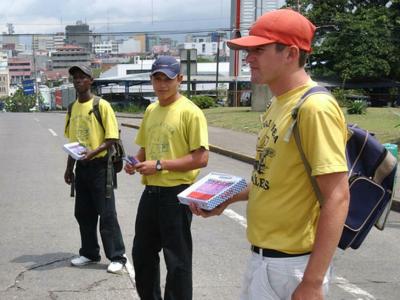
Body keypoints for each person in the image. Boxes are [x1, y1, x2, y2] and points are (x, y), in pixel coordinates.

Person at [190, 9, 350, 300]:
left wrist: (312, 283)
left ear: (290, 53)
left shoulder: (314, 108)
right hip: (266, 261)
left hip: (292, 266)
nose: (248, 58)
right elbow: (274, 180)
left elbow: (338, 196)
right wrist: (226, 198)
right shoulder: (279, 104)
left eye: (258, 50)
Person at [124, 56, 209, 300]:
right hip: (150, 193)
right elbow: (144, 149)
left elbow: (201, 158)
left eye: (167, 79)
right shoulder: (151, 110)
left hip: (177, 194)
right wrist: (135, 163)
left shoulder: (190, 112)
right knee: (142, 254)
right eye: (157, 78)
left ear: (179, 80)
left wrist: (159, 165)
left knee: (177, 260)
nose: (161, 84)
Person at [64, 65, 127, 275]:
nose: (78, 81)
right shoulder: (72, 107)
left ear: (91, 80)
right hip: (82, 168)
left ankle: (117, 256)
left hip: (101, 167)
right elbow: (72, 142)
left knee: (107, 214)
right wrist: (68, 169)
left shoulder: (102, 105)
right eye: (75, 78)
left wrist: (93, 152)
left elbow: (111, 138)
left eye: (82, 78)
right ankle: (90, 252)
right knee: (83, 213)